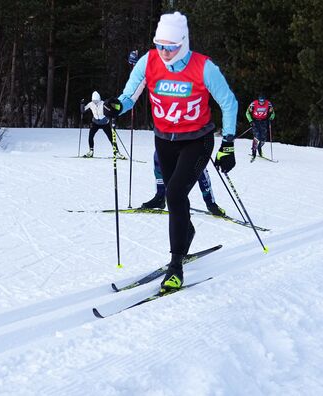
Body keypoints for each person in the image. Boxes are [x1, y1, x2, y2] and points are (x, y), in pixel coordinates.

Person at [103, 11, 238, 291]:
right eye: (160, 45)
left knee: (174, 193)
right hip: (164, 140)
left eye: (171, 47)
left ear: (184, 43)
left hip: (197, 140)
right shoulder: (148, 61)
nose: (164, 52)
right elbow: (129, 96)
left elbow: (229, 102)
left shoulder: (204, 67)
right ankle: (186, 230)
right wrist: (116, 105)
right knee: (176, 197)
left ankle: (176, 265)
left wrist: (228, 143)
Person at [141, 151, 226, 216]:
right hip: (167, 134)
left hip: (189, 135)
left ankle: (210, 203)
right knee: (158, 160)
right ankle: (160, 197)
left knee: (198, 165)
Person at [80, 91, 125, 159]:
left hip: (105, 123)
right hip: (95, 123)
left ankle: (117, 153)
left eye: (97, 100)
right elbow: (83, 110)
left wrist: (114, 110)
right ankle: (91, 152)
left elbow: (111, 108)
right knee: (90, 136)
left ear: (99, 99)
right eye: (94, 101)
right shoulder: (91, 104)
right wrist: (82, 104)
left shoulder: (104, 103)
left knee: (111, 138)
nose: (95, 102)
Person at [246, 93, 275, 159]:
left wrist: (271, 117)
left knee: (263, 138)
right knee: (257, 136)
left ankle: (259, 148)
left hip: (263, 121)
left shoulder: (268, 104)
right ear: (258, 100)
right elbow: (247, 113)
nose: (261, 103)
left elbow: (272, 112)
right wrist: (250, 121)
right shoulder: (253, 104)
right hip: (255, 121)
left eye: (263, 101)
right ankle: (254, 150)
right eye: (260, 101)